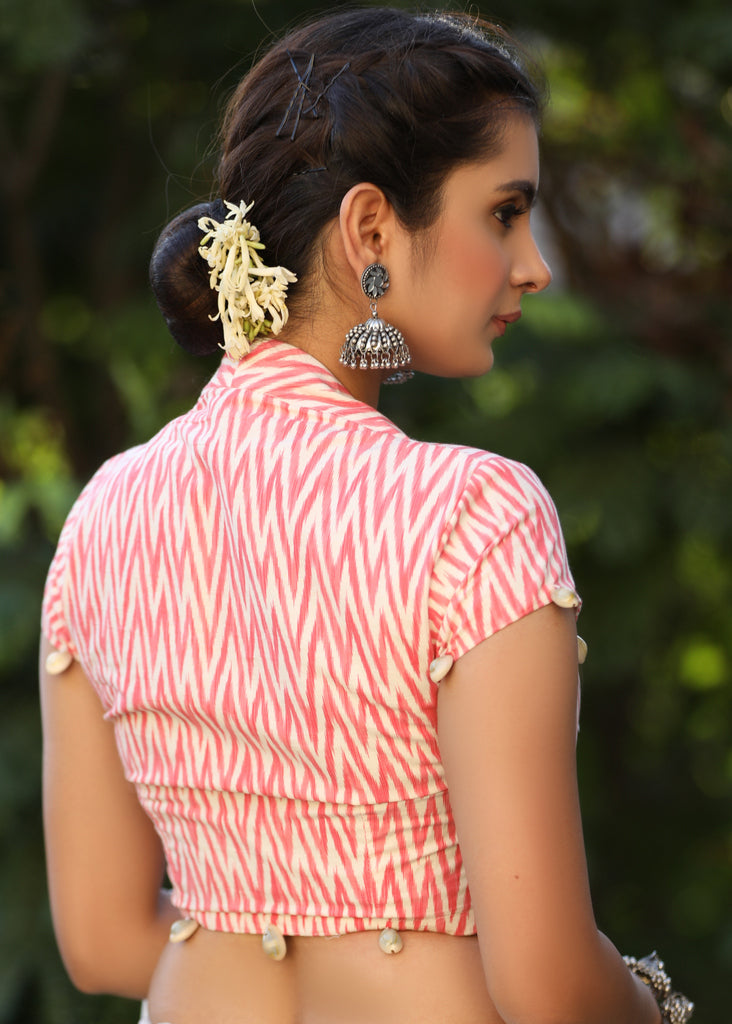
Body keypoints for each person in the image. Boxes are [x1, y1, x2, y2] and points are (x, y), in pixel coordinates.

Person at [40, 8, 693, 1024]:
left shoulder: (102, 518)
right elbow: (548, 986)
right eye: (504, 211)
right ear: (373, 231)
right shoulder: (473, 516)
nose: (533, 265)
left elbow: (100, 938)